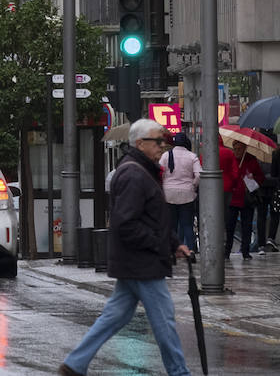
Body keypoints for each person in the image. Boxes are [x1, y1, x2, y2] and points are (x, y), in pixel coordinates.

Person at [59, 119, 192, 376]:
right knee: (164, 321)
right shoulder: (134, 174)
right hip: (142, 263)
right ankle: (180, 373)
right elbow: (126, 224)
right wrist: (160, 246)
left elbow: (152, 217)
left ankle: (74, 364)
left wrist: (174, 244)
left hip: (133, 261)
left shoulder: (142, 170)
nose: (162, 146)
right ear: (140, 144)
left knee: (114, 317)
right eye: (157, 141)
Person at [220, 140, 264, 259]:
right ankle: (227, 250)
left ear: (245, 149)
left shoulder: (251, 160)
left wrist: (252, 178)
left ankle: (245, 250)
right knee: (230, 226)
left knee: (247, 225)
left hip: (246, 198)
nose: (237, 151)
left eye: (239, 149)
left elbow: (261, 177)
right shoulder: (231, 159)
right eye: (235, 149)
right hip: (233, 197)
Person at [162, 132, 200, 253]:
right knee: (187, 225)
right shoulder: (192, 156)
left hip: (169, 195)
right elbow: (199, 175)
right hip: (187, 195)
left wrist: (164, 185)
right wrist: (192, 185)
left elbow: (159, 172)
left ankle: (172, 251)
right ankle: (191, 251)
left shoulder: (165, 156)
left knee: (172, 225)